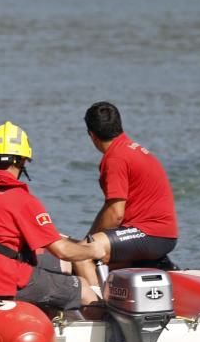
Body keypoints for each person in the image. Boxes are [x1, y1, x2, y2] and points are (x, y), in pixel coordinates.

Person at [0, 121, 103, 314]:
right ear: (21, 160)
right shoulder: (23, 200)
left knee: (63, 265)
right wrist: (95, 250)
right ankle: (99, 336)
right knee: (81, 286)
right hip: (6, 283)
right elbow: (62, 250)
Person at [73, 102, 178, 293]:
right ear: (119, 125)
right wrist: (91, 237)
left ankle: (96, 309)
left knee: (83, 255)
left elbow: (115, 214)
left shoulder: (115, 159)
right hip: (161, 234)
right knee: (91, 247)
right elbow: (110, 207)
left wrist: (87, 245)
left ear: (91, 135)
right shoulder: (129, 148)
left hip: (150, 233)